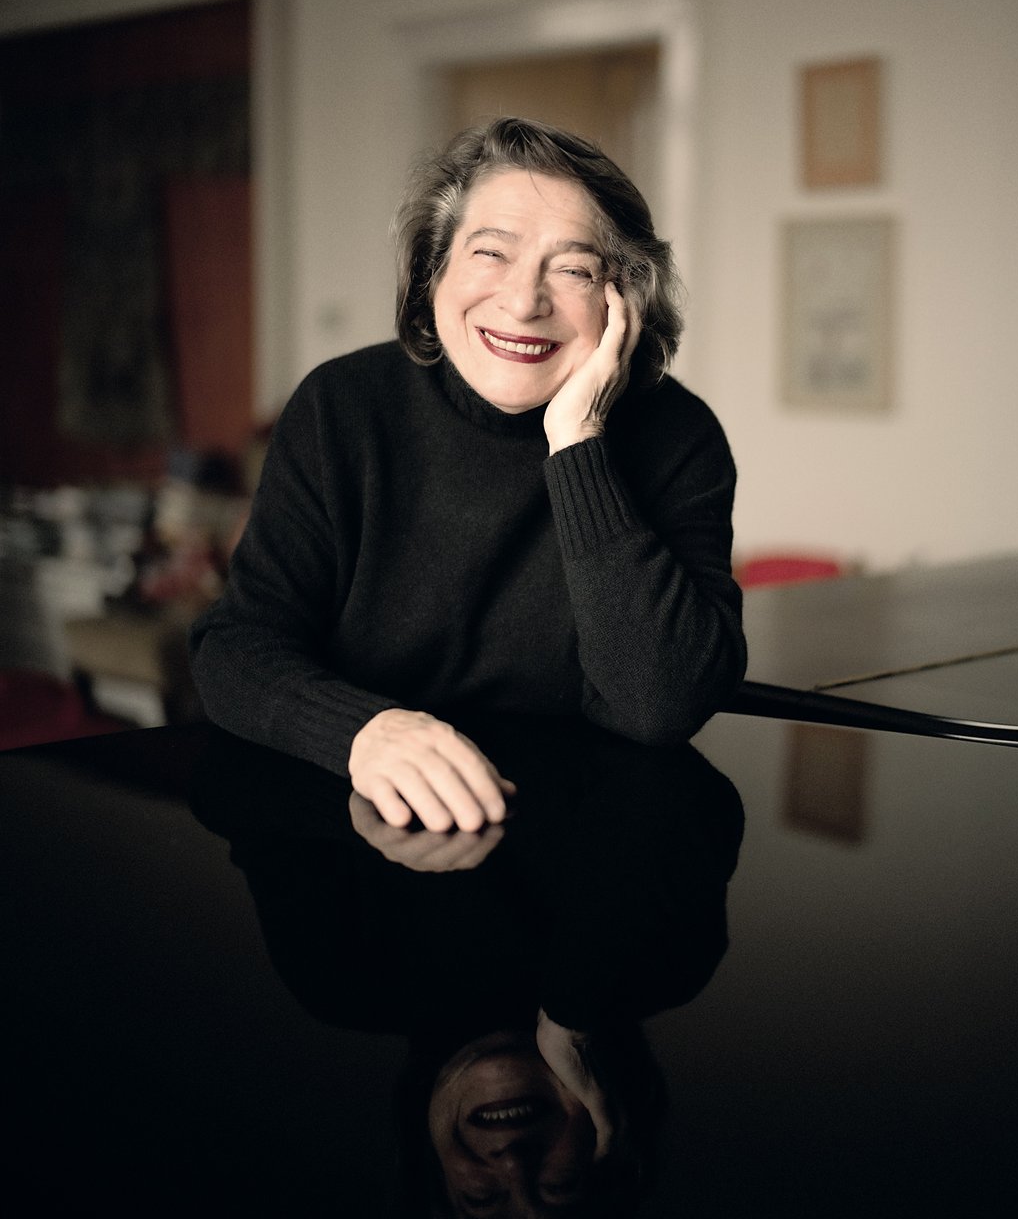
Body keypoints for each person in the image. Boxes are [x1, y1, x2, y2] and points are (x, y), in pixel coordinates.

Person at [189, 117, 746, 831]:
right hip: (353, 817)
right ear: (434, 272)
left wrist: (578, 442)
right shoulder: (342, 408)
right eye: (491, 253)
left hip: (582, 836)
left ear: (623, 302)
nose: (524, 301)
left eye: (573, 269)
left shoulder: (680, 439)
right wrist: (362, 731)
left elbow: (661, 703)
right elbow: (234, 648)